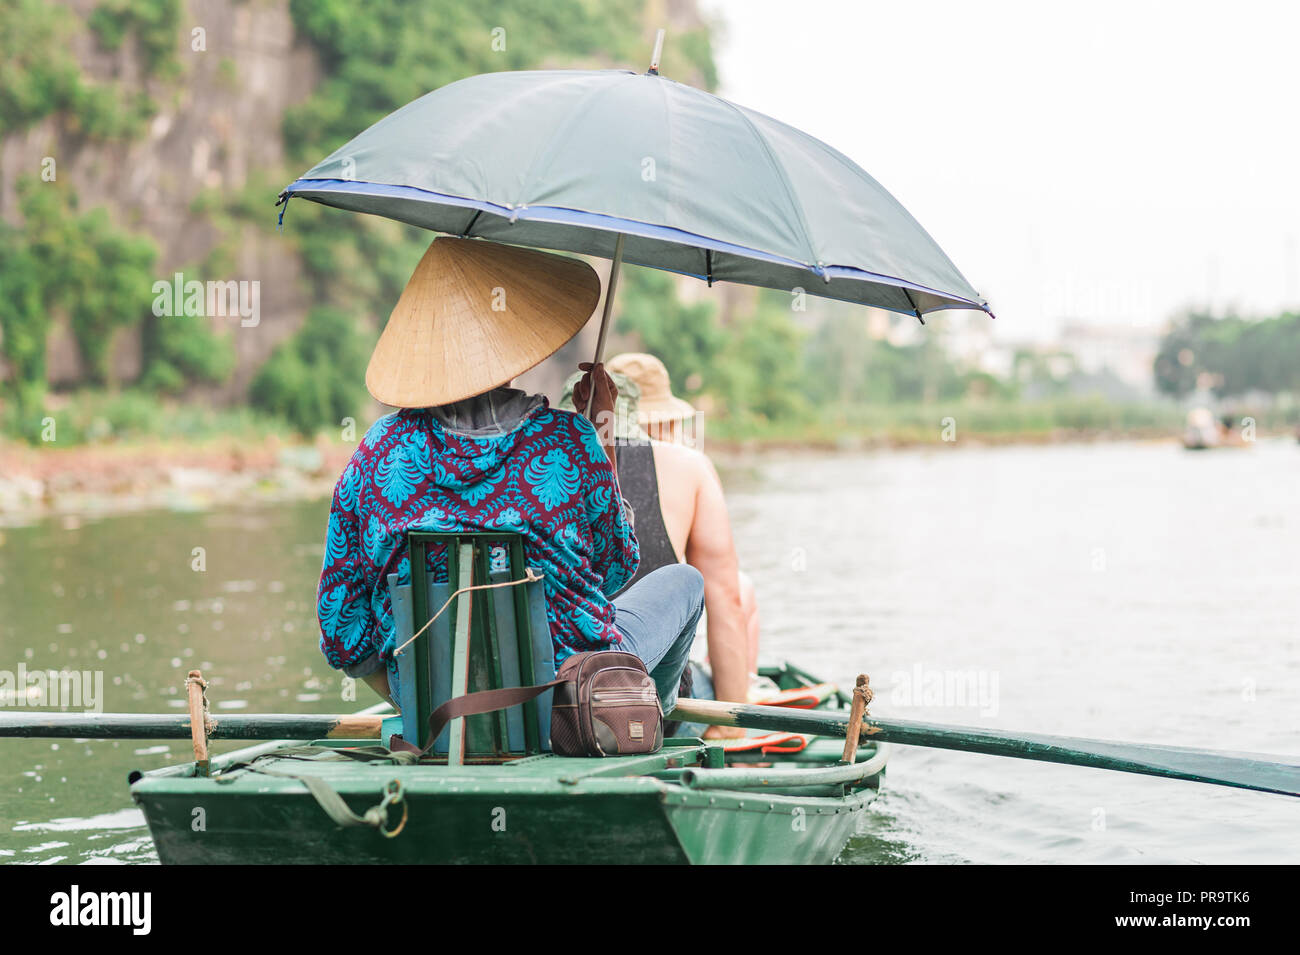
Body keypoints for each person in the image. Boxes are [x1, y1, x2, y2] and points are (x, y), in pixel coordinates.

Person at [315, 237, 703, 719]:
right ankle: (645, 716)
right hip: (568, 699)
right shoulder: (569, 439)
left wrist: (411, 698)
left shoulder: (376, 449)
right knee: (687, 581)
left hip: (434, 710)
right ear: (512, 344)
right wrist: (599, 435)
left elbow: (340, 629)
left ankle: (450, 715)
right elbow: (613, 570)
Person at [601, 352, 762, 712]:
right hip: (655, 705)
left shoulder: (557, 462)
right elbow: (726, 598)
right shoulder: (688, 466)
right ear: (659, 420)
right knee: (742, 589)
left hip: (568, 687)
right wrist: (729, 722)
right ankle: (738, 704)